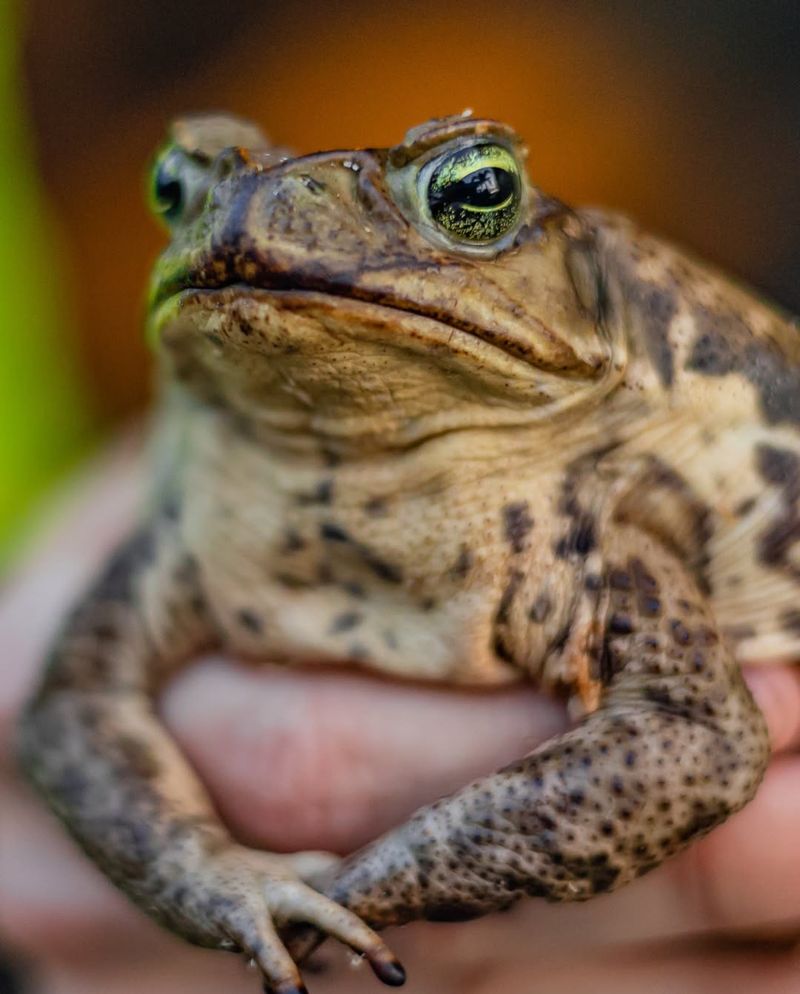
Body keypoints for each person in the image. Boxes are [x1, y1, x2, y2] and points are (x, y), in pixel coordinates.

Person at [1, 441, 799, 994]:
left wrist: (373, 889)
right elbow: (71, 703)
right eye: (177, 190)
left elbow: (701, 733)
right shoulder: (211, 488)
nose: (283, 216)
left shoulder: (595, 487)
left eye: (465, 191)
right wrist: (198, 884)